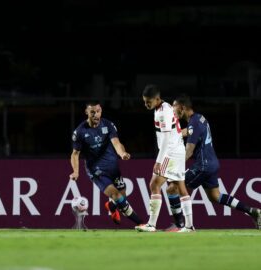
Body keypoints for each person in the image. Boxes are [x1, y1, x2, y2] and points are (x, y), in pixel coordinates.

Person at [166, 94, 261, 230]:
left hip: (203, 165)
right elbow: (191, 131)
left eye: (174, 108)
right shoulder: (200, 119)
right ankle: (252, 211)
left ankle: (182, 224)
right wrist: (176, 134)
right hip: (212, 163)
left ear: (182, 107)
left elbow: (189, 151)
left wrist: (174, 168)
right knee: (215, 197)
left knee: (172, 188)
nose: (173, 113)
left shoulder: (194, 122)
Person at [69, 101, 143, 226]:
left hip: (112, 167)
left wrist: (122, 154)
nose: (96, 115)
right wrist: (76, 171)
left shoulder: (108, 125)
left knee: (122, 195)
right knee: (116, 195)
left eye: (98, 111)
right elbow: (75, 154)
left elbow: (116, 143)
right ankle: (140, 223)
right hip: (96, 170)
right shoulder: (80, 132)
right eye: (92, 112)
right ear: (87, 112)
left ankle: (111, 206)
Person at [135, 85, 195, 232]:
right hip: (177, 150)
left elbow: (167, 139)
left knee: (154, 184)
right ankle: (189, 226)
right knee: (181, 188)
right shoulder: (165, 106)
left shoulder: (162, 113)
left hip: (171, 152)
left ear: (156, 99)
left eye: (148, 101)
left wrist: (159, 161)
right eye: (144, 101)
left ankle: (152, 224)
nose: (146, 104)